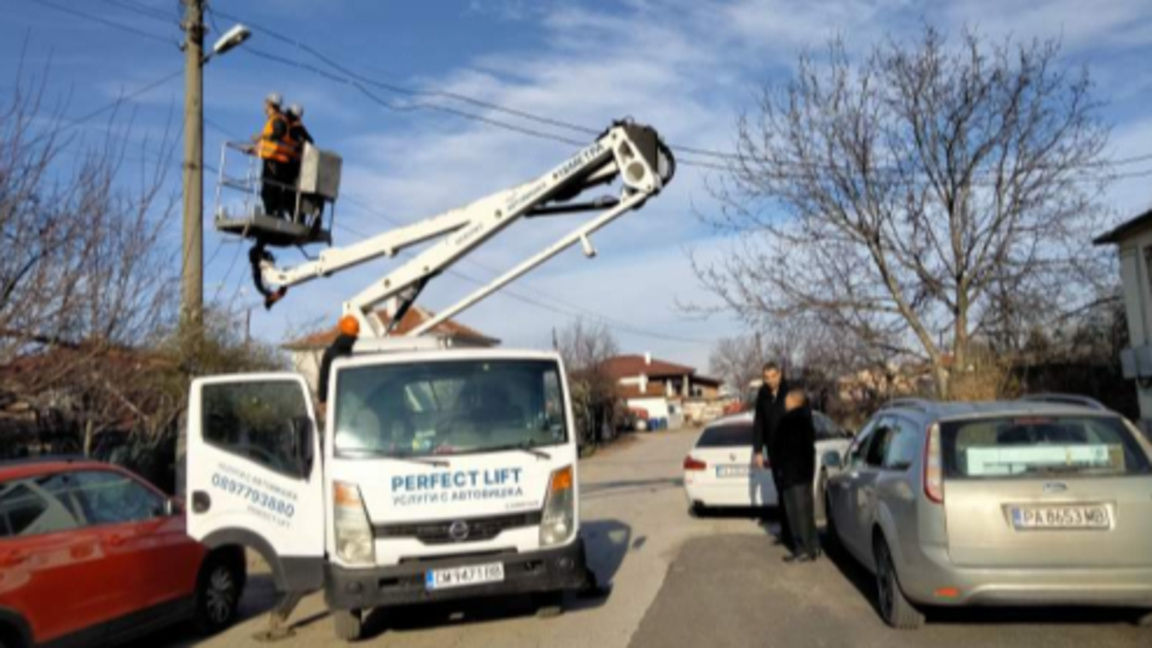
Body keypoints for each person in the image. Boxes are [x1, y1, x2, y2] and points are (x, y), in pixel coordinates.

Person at [777, 388, 820, 562]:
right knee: (806, 510)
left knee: (797, 512)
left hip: (792, 472)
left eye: (787, 400)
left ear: (794, 401)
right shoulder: (806, 418)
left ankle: (802, 549)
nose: (784, 403)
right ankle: (813, 546)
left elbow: (782, 446)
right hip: (804, 471)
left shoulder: (790, 421)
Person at [751, 362, 792, 548]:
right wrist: (758, 451)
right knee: (780, 492)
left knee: (791, 493)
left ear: (780, 375)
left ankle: (797, 536)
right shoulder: (762, 395)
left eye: (773, 376)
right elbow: (759, 423)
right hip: (774, 450)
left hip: (791, 450)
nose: (770, 381)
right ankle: (786, 533)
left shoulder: (789, 392)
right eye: (766, 377)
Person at [251, 92, 292, 218]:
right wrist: (255, 149)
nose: (264, 106)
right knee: (271, 191)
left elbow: (278, 134)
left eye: (266, 103)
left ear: (270, 104)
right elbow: (270, 143)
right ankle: (274, 213)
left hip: (275, 160)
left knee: (270, 191)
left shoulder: (278, 119)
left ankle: (273, 214)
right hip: (274, 158)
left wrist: (262, 136)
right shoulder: (276, 119)